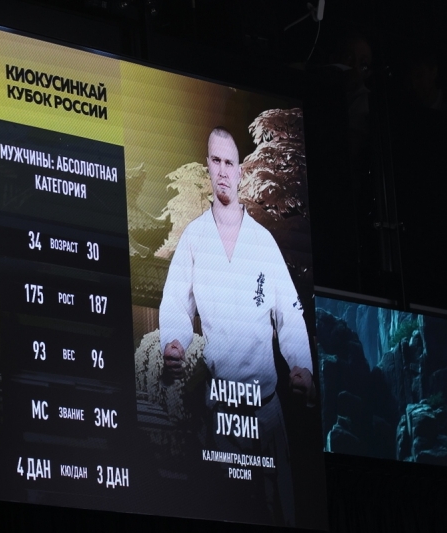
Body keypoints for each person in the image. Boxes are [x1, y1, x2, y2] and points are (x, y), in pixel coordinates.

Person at [159, 127, 315, 525]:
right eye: (216, 161)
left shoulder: (262, 241)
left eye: (230, 163)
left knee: (279, 513)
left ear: (240, 171)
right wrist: (174, 342)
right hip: (219, 408)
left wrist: (301, 365)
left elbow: (289, 312)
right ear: (208, 166)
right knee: (223, 510)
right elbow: (175, 302)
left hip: (266, 406)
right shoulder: (194, 238)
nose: (223, 170)